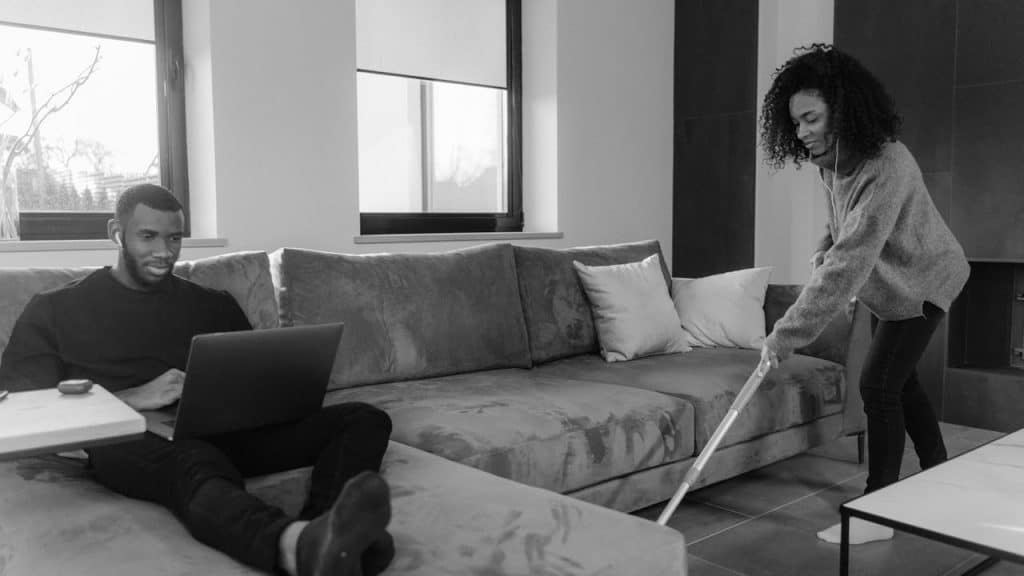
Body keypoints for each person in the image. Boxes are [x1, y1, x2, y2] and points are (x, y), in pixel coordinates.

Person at [0, 184, 395, 576]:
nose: (164, 252)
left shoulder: (212, 303)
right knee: (194, 458)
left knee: (364, 418)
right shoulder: (56, 309)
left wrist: (271, 394)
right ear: (114, 233)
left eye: (174, 238)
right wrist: (132, 398)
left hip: (227, 431)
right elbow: (23, 412)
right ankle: (289, 545)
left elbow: (258, 373)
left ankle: (325, 537)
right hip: (132, 440)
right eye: (148, 237)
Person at [758, 45, 970, 545]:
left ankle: (878, 514)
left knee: (877, 385)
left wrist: (784, 336)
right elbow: (842, 227)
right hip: (891, 288)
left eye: (811, 118)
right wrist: (821, 249)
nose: (803, 131)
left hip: (926, 280)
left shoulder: (887, 163)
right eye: (796, 123)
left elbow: (851, 262)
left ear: (843, 108)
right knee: (901, 383)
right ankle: (941, 473)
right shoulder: (830, 162)